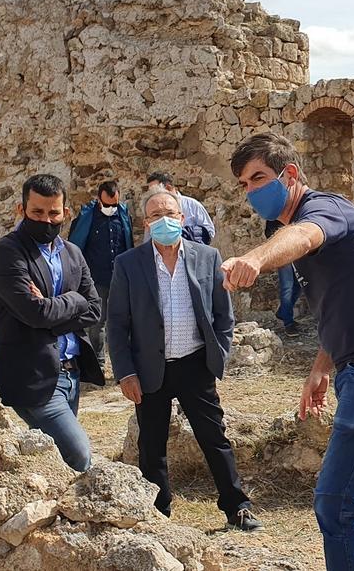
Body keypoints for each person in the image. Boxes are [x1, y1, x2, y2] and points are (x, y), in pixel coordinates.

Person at [222, 133, 354, 570]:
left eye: (258, 178)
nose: (251, 192)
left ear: (289, 175)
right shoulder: (294, 222)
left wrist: (255, 258)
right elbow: (341, 302)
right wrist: (322, 366)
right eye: (244, 184)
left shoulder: (323, 209)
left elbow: (305, 236)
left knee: (336, 500)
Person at [107, 188, 262, 531]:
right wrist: (125, 373)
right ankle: (158, 515)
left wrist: (217, 355)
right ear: (145, 223)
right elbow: (116, 324)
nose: (164, 221)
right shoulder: (128, 264)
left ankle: (237, 507)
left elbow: (224, 315)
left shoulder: (207, 257)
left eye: (170, 214)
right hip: (149, 370)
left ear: (183, 218)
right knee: (151, 445)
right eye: (155, 216)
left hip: (195, 364)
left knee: (214, 438)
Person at [0, 174, 105, 471]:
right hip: (32, 376)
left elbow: (94, 309)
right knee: (79, 453)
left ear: (66, 213)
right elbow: (34, 313)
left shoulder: (73, 253)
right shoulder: (7, 253)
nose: (46, 220)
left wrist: (51, 309)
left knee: (56, 461)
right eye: (37, 212)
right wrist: (73, 300)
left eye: (53, 213)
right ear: (21, 209)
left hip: (71, 373)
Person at [68, 180, 134, 350]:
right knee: (97, 322)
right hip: (97, 279)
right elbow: (76, 245)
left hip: (121, 278)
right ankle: (99, 364)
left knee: (123, 322)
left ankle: (123, 365)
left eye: (114, 204)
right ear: (98, 199)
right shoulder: (86, 219)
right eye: (106, 204)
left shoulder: (123, 215)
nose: (111, 208)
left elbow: (128, 244)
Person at [147, 171, 216, 244]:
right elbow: (148, 238)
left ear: (168, 188)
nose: (152, 195)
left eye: (155, 191)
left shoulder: (192, 205)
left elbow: (209, 232)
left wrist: (189, 235)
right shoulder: (152, 209)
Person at [266, 219, 303, 336]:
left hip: (297, 252)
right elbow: (268, 232)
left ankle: (283, 311)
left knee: (299, 284)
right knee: (287, 286)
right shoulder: (274, 214)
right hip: (283, 253)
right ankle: (288, 323)